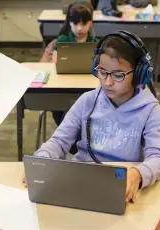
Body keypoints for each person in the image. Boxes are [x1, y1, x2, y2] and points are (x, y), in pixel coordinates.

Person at [25, 31, 160, 203]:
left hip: (123, 187)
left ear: (138, 73)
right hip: (81, 180)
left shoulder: (150, 110)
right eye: (102, 72)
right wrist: (41, 160)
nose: (107, 82)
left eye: (118, 75)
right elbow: (59, 141)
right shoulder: (87, 101)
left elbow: (158, 158)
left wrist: (138, 174)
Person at [50, 1, 99, 154]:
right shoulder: (62, 41)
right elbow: (54, 65)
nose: (79, 28)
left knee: (86, 110)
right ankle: (73, 143)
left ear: (90, 23)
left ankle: (79, 143)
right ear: (69, 23)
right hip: (63, 88)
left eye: (84, 23)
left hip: (86, 89)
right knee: (64, 111)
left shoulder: (95, 44)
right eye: (75, 23)